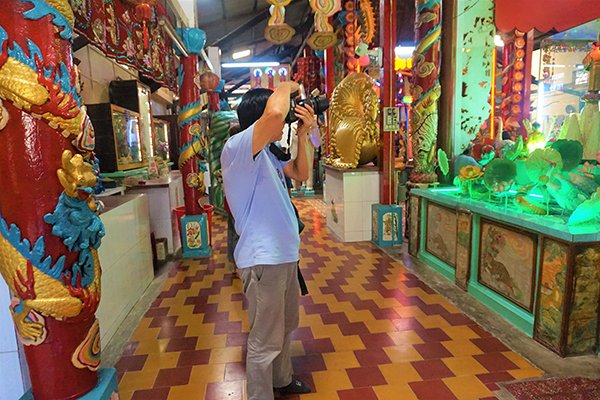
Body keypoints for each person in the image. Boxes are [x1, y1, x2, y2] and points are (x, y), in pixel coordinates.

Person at [220, 81, 315, 400]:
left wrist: (303, 134)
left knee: (286, 326)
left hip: (284, 258)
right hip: (264, 261)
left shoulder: (268, 157)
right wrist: (288, 84)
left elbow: (302, 173)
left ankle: (281, 379)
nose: (285, 118)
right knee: (264, 340)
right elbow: (274, 115)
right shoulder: (237, 149)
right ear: (258, 119)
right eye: (285, 114)